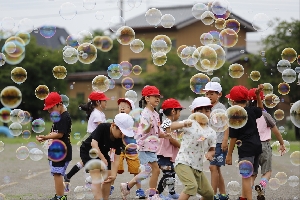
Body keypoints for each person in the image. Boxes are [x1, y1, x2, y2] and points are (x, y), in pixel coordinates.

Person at [120, 85, 162, 199]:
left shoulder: (156, 114)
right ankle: (152, 195)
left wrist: (165, 135)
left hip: (151, 146)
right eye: (155, 96)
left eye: (158, 97)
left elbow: (158, 131)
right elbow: (145, 129)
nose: (158, 99)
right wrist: (149, 126)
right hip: (144, 146)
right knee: (156, 170)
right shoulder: (145, 113)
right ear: (147, 98)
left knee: (147, 171)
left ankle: (127, 186)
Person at [79, 113, 135, 200]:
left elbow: (116, 159)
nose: (122, 136)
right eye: (121, 133)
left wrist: (113, 175)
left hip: (102, 152)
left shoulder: (119, 139)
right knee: (96, 173)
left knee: (109, 177)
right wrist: (102, 158)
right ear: (113, 125)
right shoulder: (102, 127)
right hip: (88, 151)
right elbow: (94, 144)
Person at [64, 91, 109, 190]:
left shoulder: (99, 112)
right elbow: (102, 128)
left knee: (85, 162)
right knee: (97, 163)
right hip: (92, 141)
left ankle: (68, 176)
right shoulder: (97, 114)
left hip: (94, 141)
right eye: (104, 101)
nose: (106, 102)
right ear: (98, 102)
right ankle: (89, 181)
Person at [173, 96, 216, 200]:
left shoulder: (211, 132)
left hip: (197, 166)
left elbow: (212, 149)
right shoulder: (190, 123)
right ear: (193, 112)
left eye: (207, 110)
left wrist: (210, 154)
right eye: (200, 111)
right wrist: (183, 123)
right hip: (183, 162)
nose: (204, 113)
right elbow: (171, 126)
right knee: (191, 186)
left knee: (209, 194)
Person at [225, 85, 263, 200]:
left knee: (245, 177)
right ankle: (244, 197)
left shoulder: (235, 116)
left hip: (246, 149)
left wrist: (229, 154)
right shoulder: (252, 111)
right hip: (257, 147)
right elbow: (260, 110)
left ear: (232, 101)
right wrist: (257, 96)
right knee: (251, 175)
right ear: (247, 99)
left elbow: (233, 137)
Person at [248, 88, 286, 200]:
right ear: (262, 100)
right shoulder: (265, 115)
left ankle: (248, 191)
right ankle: (261, 186)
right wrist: (282, 143)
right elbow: (276, 132)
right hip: (264, 146)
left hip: (251, 146)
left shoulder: (247, 115)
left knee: (252, 174)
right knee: (267, 171)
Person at [36, 92, 72, 200]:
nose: (50, 112)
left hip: (61, 151)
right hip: (58, 150)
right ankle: (59, 196)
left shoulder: (64, 117)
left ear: (59, 104)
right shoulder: (59, 116)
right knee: (57, 173)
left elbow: (60, 134)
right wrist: (47, 137)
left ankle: (60, 197)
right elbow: (54, 132)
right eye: (48, 110)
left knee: (57, 173)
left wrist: (46, 137)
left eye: (51, 109)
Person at [110, 98, 146, 199]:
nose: (122, 107)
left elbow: (140, 132)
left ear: (131, 110)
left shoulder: (135, 121)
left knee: (136, 169)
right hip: (118, 148)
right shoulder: (116, 119)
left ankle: (139, 189)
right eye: (120, 106)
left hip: (132, 148)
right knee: (114, 168)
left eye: (125, 106)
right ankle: (110, 186)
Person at [203, 82, 229, 200]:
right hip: (211, 143)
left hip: (219, 142)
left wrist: (225, 140)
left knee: (213, 168)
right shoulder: (207, 108)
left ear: (219, 94)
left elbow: (227, 124)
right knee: (216, 168)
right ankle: (223, 194)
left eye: (212, 93)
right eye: (207, 93)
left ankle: (212, 195)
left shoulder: (220, 108)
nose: (208, 96)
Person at [156, 98, 183, 200]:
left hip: (168, 154)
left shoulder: (168, 123)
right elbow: (171, 139)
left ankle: (172, 193)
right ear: (173, 111)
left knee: (172, 173)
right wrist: (181, 146)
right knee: (167, 175)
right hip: (163, 154)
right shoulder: (168, 122)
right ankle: (158, 194)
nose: (179, 114)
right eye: (179, 111)